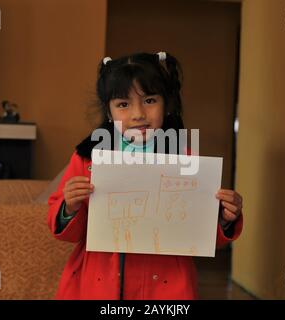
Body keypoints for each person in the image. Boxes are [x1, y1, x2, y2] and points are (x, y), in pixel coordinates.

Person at [47, 52, 243, 300]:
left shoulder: (185, 160)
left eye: (149, 100)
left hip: (166, 285)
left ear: (166, 103)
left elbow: (200, 235)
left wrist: (225, 218)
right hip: (98, 283)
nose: (138, 114)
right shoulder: (88, 159)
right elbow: (66, 231)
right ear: (109, 111)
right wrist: (69, 207)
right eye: (123, 104)